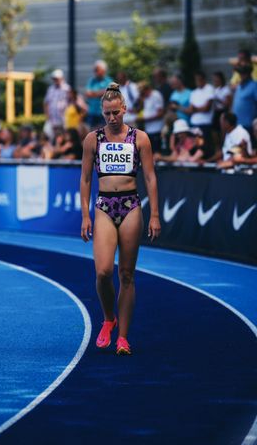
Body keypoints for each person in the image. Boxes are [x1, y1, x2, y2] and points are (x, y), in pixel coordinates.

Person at [80, 83, 161, 355]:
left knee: (126, 274)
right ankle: (108, 318)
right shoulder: (93, 139)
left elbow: (150, 177)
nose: (112, 118)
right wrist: (85, 216)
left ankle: (123, 338)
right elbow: (85, 178)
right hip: (104, 205)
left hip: (130, 205)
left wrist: (155, 215)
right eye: (107, 114)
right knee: (103, 272)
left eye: (116, 113)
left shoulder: (140, 138)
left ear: (124, 109)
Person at [231, 63, 257, 145]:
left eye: (243, 73)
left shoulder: (254, 85)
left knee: (250, 150)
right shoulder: (239, 86)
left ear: (248, 74)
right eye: (240, 73)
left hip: (249, 125)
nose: (241, 75)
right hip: (237, 125)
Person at [136, 81, 165, 152]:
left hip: (156, 130)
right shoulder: (145, 98)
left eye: (142, 92)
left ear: (147, 89)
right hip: (148, 130)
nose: (141, 94)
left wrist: (145, 119)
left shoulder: (156, 95)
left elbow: (160, 113)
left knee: (156, 153)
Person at [43, 69, 71, 140]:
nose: (55, 80)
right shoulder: (50, 89)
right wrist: (47, 116)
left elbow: (71, 102)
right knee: (47, 134)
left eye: (57, 79)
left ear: (62, 78)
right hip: (52, 119)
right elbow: (46, 103)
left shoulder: (67, 88)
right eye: (54, 79)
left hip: (63, 119)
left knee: (63, 137)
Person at [85, 60, 113, 129]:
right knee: (92, 134)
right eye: (94, 70)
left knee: (104, 134)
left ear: (103, 70)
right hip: (92, 112)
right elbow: (87, 94)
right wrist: (101, 93)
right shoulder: (91, 81)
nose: (95, 72)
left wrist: (94, 93)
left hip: (104, 114)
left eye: (97, 70)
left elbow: (109, 94)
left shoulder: (109, 81)